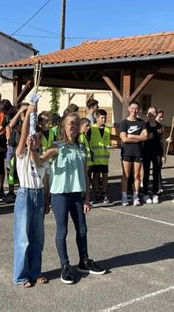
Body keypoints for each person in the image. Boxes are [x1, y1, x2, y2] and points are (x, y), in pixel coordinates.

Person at [34, 112, 106, 284]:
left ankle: (84, 261)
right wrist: (31, 149)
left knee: (82, 229)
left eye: (76, 124)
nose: (73, 127)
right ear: (63, 127)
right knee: (62, 231)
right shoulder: (57, 147)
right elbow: (39, 161)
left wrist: (87, 197)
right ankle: (65, 265)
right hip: (60, 195)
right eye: (70, 124)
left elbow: (85, 174)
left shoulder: (81, 148)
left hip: (77, 195)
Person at [13, 104, 49, 288]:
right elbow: (24, 132)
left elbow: (44, 181)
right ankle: (21, 276)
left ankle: (36, 272)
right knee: (23, 238)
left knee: (37, 237)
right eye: (33, 137)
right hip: (24, 194)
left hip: (39, 196)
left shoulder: (42, 157)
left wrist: (47, 200)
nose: (35, 139)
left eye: (39, 138)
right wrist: (27, 115)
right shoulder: (21, 154)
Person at [120, 101, 148, 206]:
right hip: (127, 152)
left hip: (138, 153)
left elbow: (145, 136)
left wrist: (132, 136)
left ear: (139, 110)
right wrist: (138, 138)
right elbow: (124, 139)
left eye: (136, 109)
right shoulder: (124, 123)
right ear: (129, 109)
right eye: (132, 108)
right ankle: (124, 197)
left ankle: (136, 197)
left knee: (137, 175)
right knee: (126, 175)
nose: (134, 111)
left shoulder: (142, 123)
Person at [142, 107, 165, 204]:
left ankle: (155, 193)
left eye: (153, 112)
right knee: (146, 173)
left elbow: (163, 141)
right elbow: (141, 139)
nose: (151, 114)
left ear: (156, 114)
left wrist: (163, 155)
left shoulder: (160, 126)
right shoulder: (144, 125)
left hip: (157, 152)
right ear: (147, 114)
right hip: (146, 152)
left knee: (156, 173)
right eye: (149, 112)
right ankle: (145, 194)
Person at [89, 109, 111, 204]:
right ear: (96, 118)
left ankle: (104, 193)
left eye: (105, 117)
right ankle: (97, 193)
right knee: (96, 176)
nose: (104, 119)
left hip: (104, 158)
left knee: (105, 176)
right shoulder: (91, 129)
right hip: (95, 158)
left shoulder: (107, 130)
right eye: (102, 118)